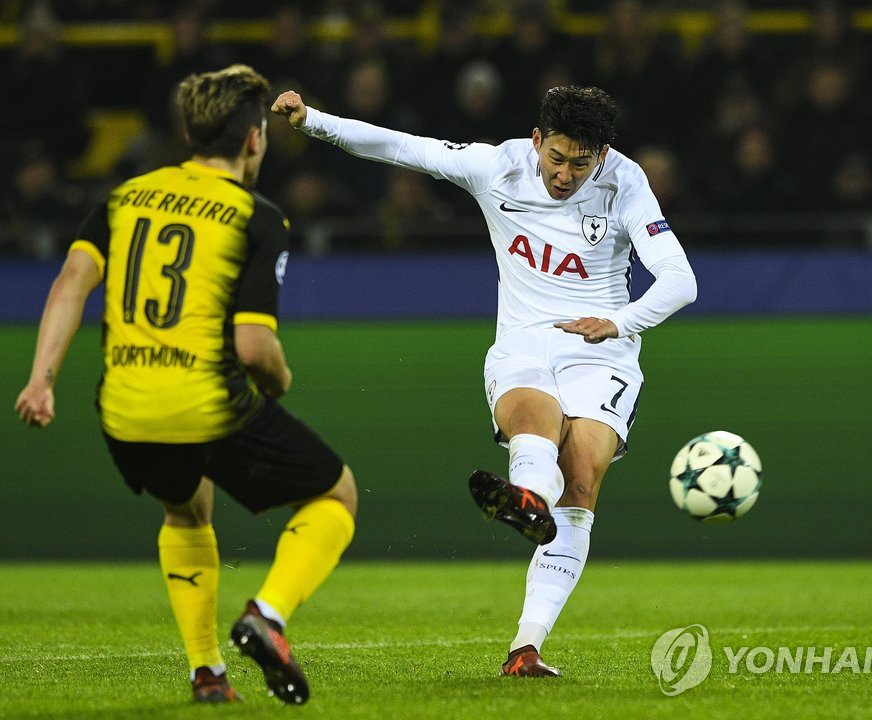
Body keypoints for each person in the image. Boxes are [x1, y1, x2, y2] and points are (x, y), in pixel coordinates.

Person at [271, 84, 697, 677]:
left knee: (581, 479)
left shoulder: (625, 181)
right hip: (523, 341)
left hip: (601, 351)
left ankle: (526, 645)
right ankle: (528, 499)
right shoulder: (497, 166)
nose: (565, 174)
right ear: (537, 140)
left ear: (602, 154)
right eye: (556, 157)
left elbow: (680, 280)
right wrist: (311, 120)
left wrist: (619, 322)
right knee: (535, 421)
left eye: (581, 163)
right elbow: (402, 147)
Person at [14, 65, 357, 706]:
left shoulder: (125, 198)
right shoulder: (257, 217)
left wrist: (42, 380)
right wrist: (279, 381)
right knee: (336, 494)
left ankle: (207, 673)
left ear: (190, 133)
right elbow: (254, 349)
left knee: (186, 507)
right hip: (204, 403)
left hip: (123, 410)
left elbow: (69, 283)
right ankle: (268, 616)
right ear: (254, 138)